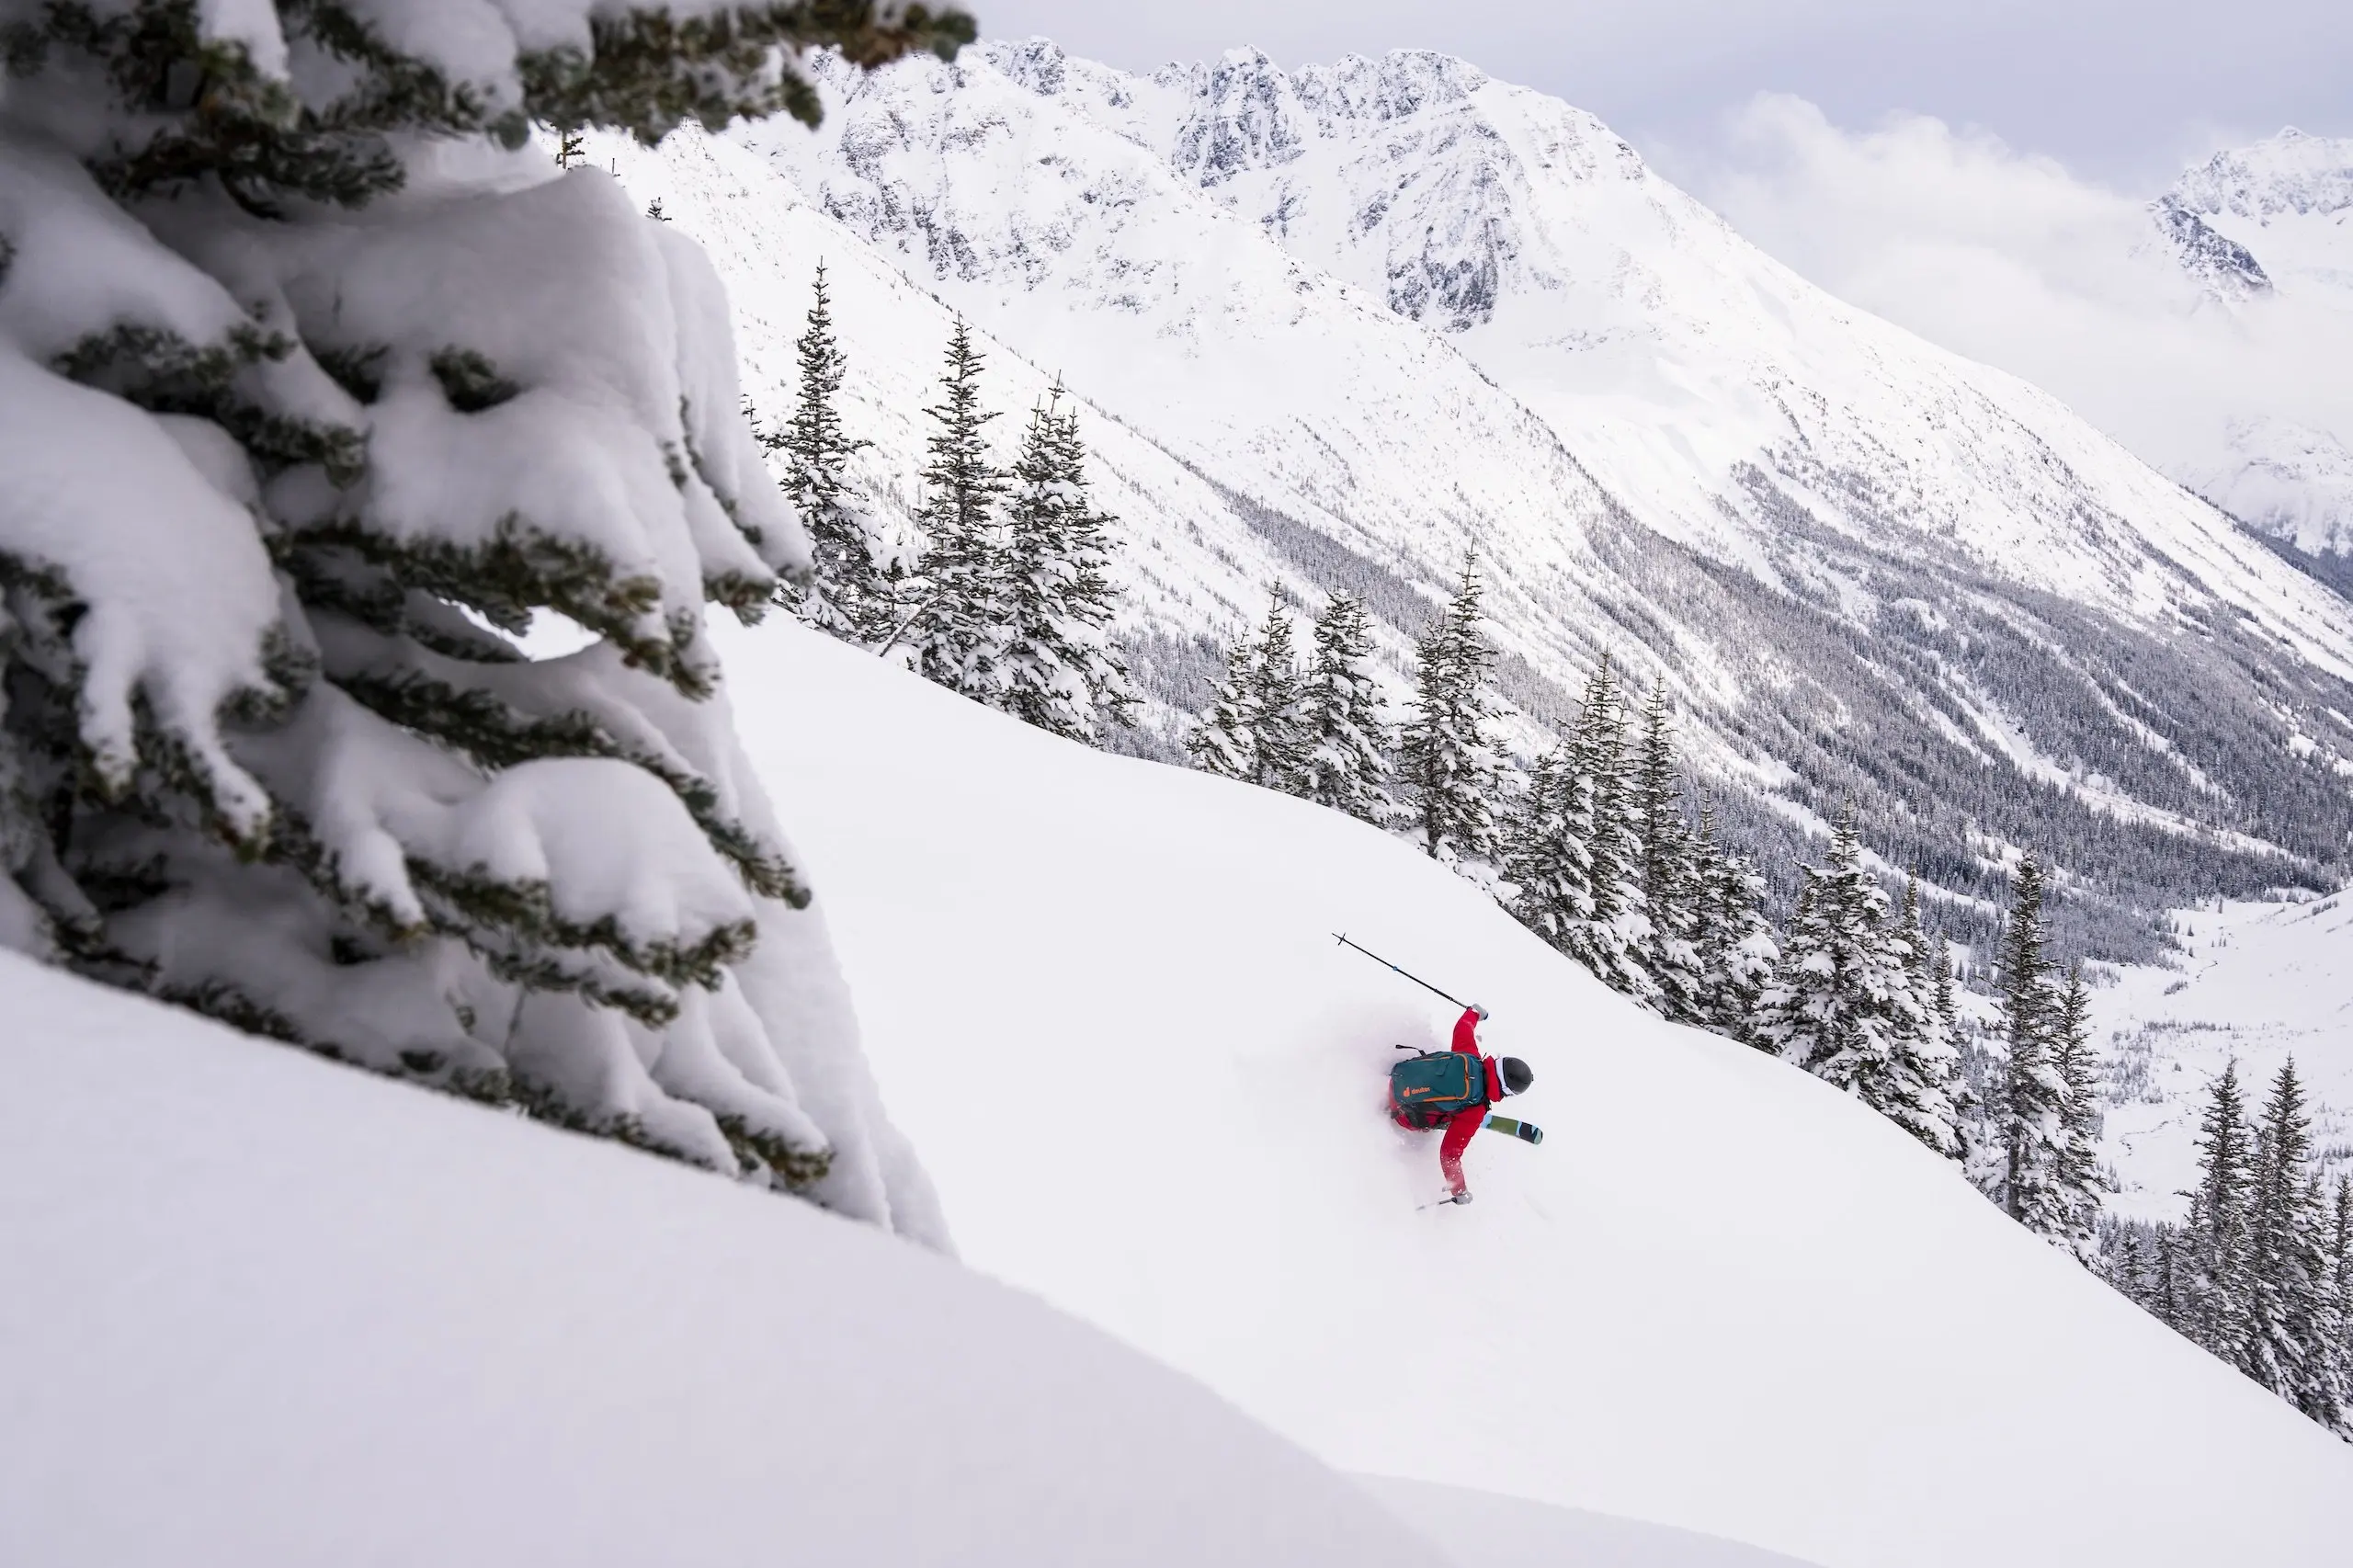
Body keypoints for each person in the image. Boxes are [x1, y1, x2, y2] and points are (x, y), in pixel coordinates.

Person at [1390, 1004, 1534, 1203]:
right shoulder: (1475, 1111)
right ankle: (1447, 1119)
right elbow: (1449, 1154)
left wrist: (1474, 1013)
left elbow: (1463, 1027)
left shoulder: (1470, 1055)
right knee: (1457, 1116)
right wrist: (1459, 1191)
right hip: (1402, 1115)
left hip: (1397, 1077)